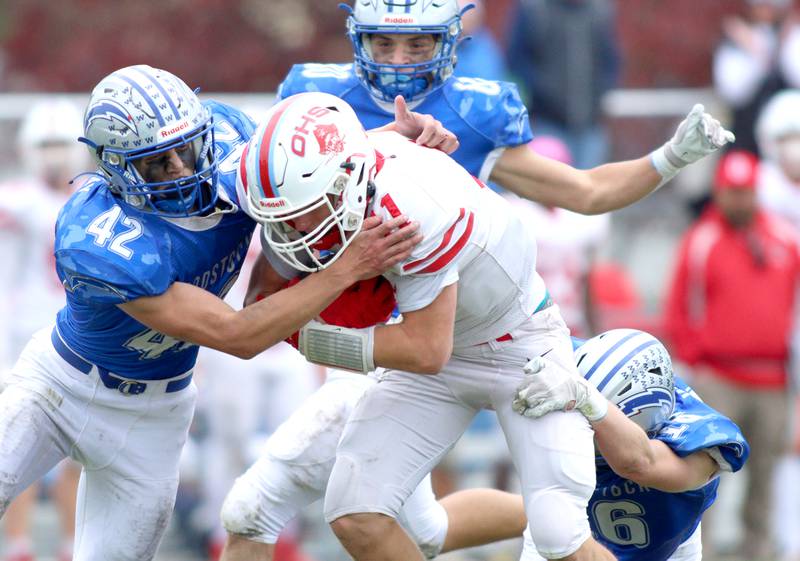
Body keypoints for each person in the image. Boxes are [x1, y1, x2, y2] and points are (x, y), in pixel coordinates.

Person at [0, 64, 454, 561]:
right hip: (58, 388)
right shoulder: (100, 238)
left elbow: (298, 168)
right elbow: (237, 335)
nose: (179, 168)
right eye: (156, 162)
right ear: (115, 166)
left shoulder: (228, 138)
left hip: (155, 412)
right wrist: (346, 269)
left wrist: (389, 136)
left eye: (186, 148)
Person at [234, 90, 636, 561]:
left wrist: (314, 340)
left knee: (558, 535)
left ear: (344, 184)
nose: (293, 229)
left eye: (301, 213)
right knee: (356, 514)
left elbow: (426, 351)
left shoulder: (414, 207)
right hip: (439, 343)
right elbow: (257, 305)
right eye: (279, 217)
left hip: (519, 345)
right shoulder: (315, 188)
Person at [278, 0, 733, 216]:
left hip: (458, 315)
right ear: (360, 40)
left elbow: (587, 192)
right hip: (354, 311)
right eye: (385, 43)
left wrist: (671, 157)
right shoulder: (316, 97)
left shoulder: (476, 110)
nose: (399, 59)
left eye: (417, 44)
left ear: (449, 42)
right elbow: (255, 191)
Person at [663, 149, 800, 561]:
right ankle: (698, 551)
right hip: (719, 378)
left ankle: (757, 552)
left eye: (745, 192)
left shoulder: (786, 240)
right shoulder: (701, 241)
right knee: (705, 476)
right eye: (731, 192)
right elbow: (679, 309)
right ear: (719, 192)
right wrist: (695, 366)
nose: (739, 200)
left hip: (773, 380)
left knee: (765, 479)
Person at [512, 328, 750, 561]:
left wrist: (590, 401)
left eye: (590, 425)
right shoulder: (567, 357)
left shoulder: (700, 435)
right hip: (572, 523)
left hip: (665, 547)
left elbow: (639, 463)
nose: (578, 434)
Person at [0, 99, 87, 561]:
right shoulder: (18, 199)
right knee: (20, 445)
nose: (55, 155)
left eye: (61, 144)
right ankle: (18, 546)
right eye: (46, 145)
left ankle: (74, 546)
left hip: (77, 334)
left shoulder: (92, 199)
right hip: (23, 334)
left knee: (78, 452)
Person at [754, 89, 800, 561]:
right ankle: (787, 540)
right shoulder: (761, 190)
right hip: (775, 328)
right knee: (787, 437)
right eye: (789, 137)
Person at [504, 0, 620, 169]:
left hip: (590, 127)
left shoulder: (599, 11)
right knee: (547, 191)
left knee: (588, 189)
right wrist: (545, 94)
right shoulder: (534, 10)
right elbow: (517, 62)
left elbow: (611, 60)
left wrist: (599, 95)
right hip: (546, 124)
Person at [712, 0, 800, 154]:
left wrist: (781, 45)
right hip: (747, 140)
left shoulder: (793, 37)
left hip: (789, 143)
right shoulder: (737, 42)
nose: (765, 13)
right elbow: (733, 91)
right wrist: (757, 51)